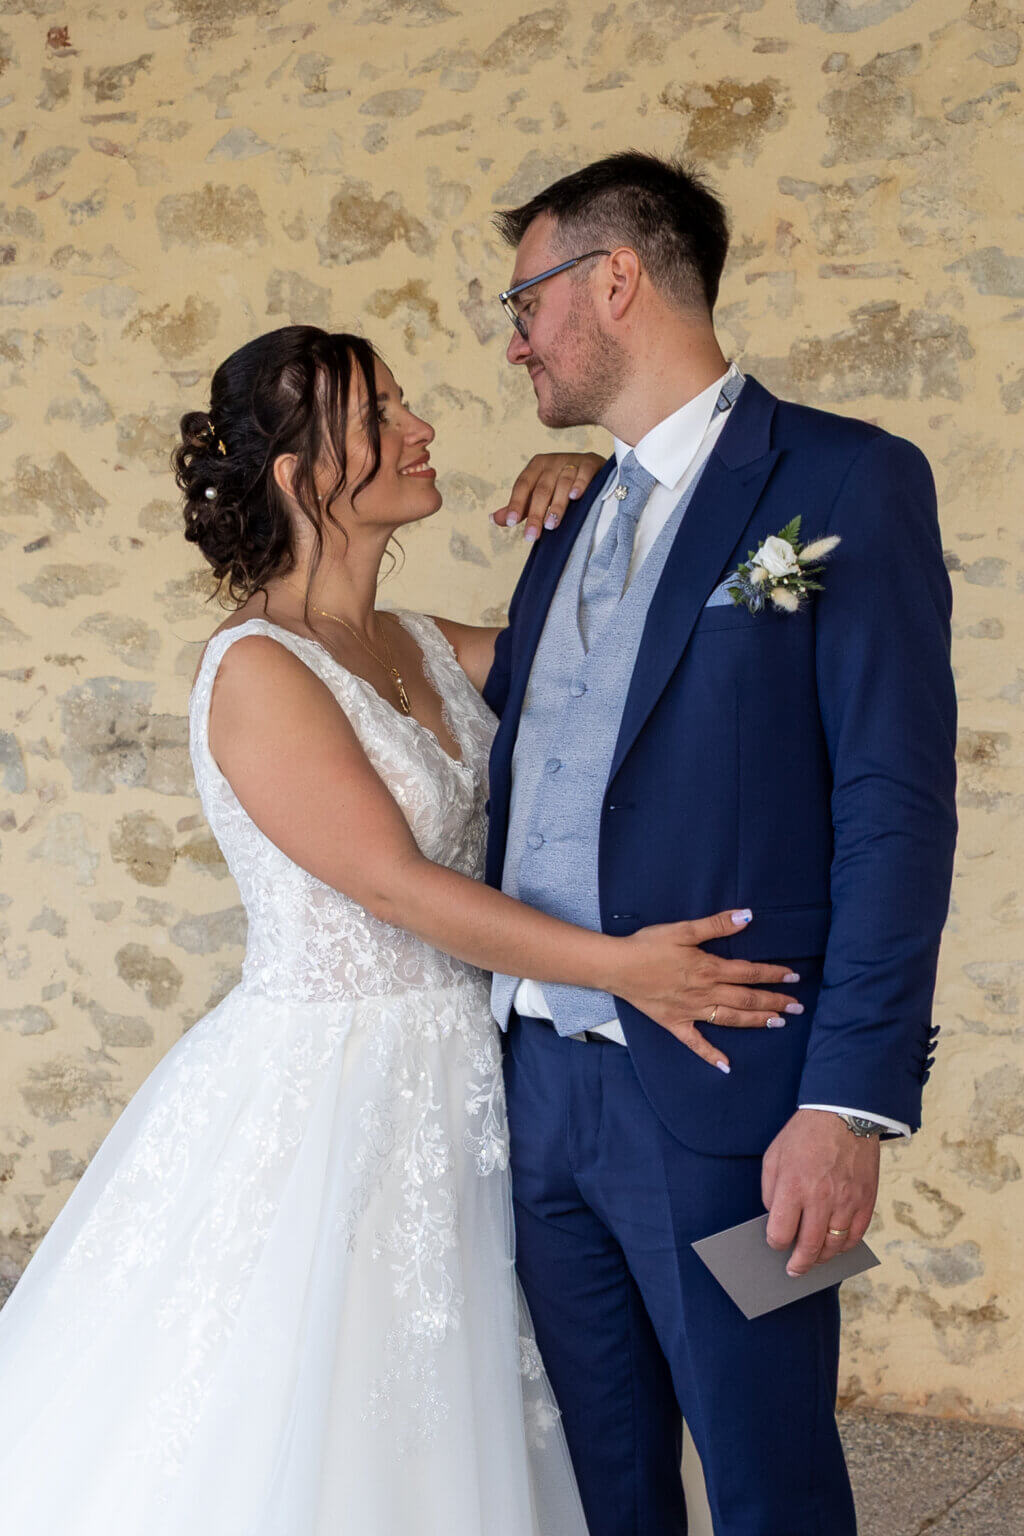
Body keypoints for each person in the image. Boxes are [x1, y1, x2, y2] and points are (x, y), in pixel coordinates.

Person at [0, 324, 802, 1535]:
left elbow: (602, 664)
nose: (419, 427)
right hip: (337, 1093)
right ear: (298, 472)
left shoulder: (422, 643)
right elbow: (392, 885)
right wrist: (624, 971)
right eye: (379, 415)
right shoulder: (258, 670)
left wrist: (606, 501)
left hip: (481, 1085)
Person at [481, 152, 958, 1536]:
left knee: (774, 1481)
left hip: (747, 1098)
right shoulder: (568, 515)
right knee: (602, 1487)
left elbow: (894, 807)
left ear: (612, 282)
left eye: (527, 302)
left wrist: (849, 1106)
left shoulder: (848, 483)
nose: (515, 339)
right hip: (540, 1090)